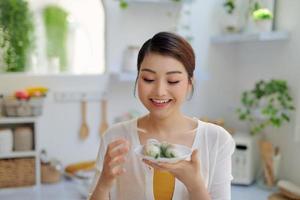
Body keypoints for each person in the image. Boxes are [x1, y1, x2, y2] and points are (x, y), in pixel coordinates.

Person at [88, 32, 235, 200]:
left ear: (190, 83)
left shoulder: (216, 139)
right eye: (148, 79)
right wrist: (104, 182)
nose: (159, 91)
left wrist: (195, 185)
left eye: (172, 81)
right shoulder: (115, 137)